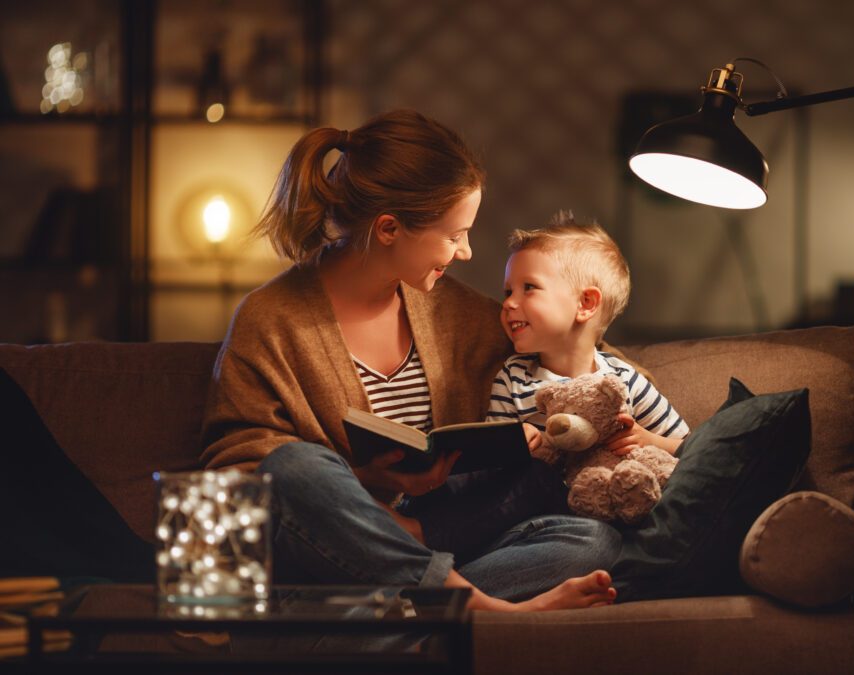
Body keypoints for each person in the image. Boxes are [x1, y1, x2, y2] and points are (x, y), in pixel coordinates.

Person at [200, 110, 619, 612]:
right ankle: (480, 610)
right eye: (454, 234)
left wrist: (627, 422)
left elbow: (584, 359)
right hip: (334, 551)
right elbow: (241, 475)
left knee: (593, 541)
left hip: (445, 536)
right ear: (389, 228)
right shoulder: (270, 319)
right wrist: (365, 481)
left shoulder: (460, 313)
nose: (465, 252)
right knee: (292, 468)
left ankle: (398, 610)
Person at [487, 213, 690, 456]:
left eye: (528, 288)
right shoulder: (513, 378)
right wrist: (517, 441)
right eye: (508, 292)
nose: (508, 303)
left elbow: (691, 447)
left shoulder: (624, 380)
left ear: (585, 303)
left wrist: (649, 440)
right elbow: (490, 456)